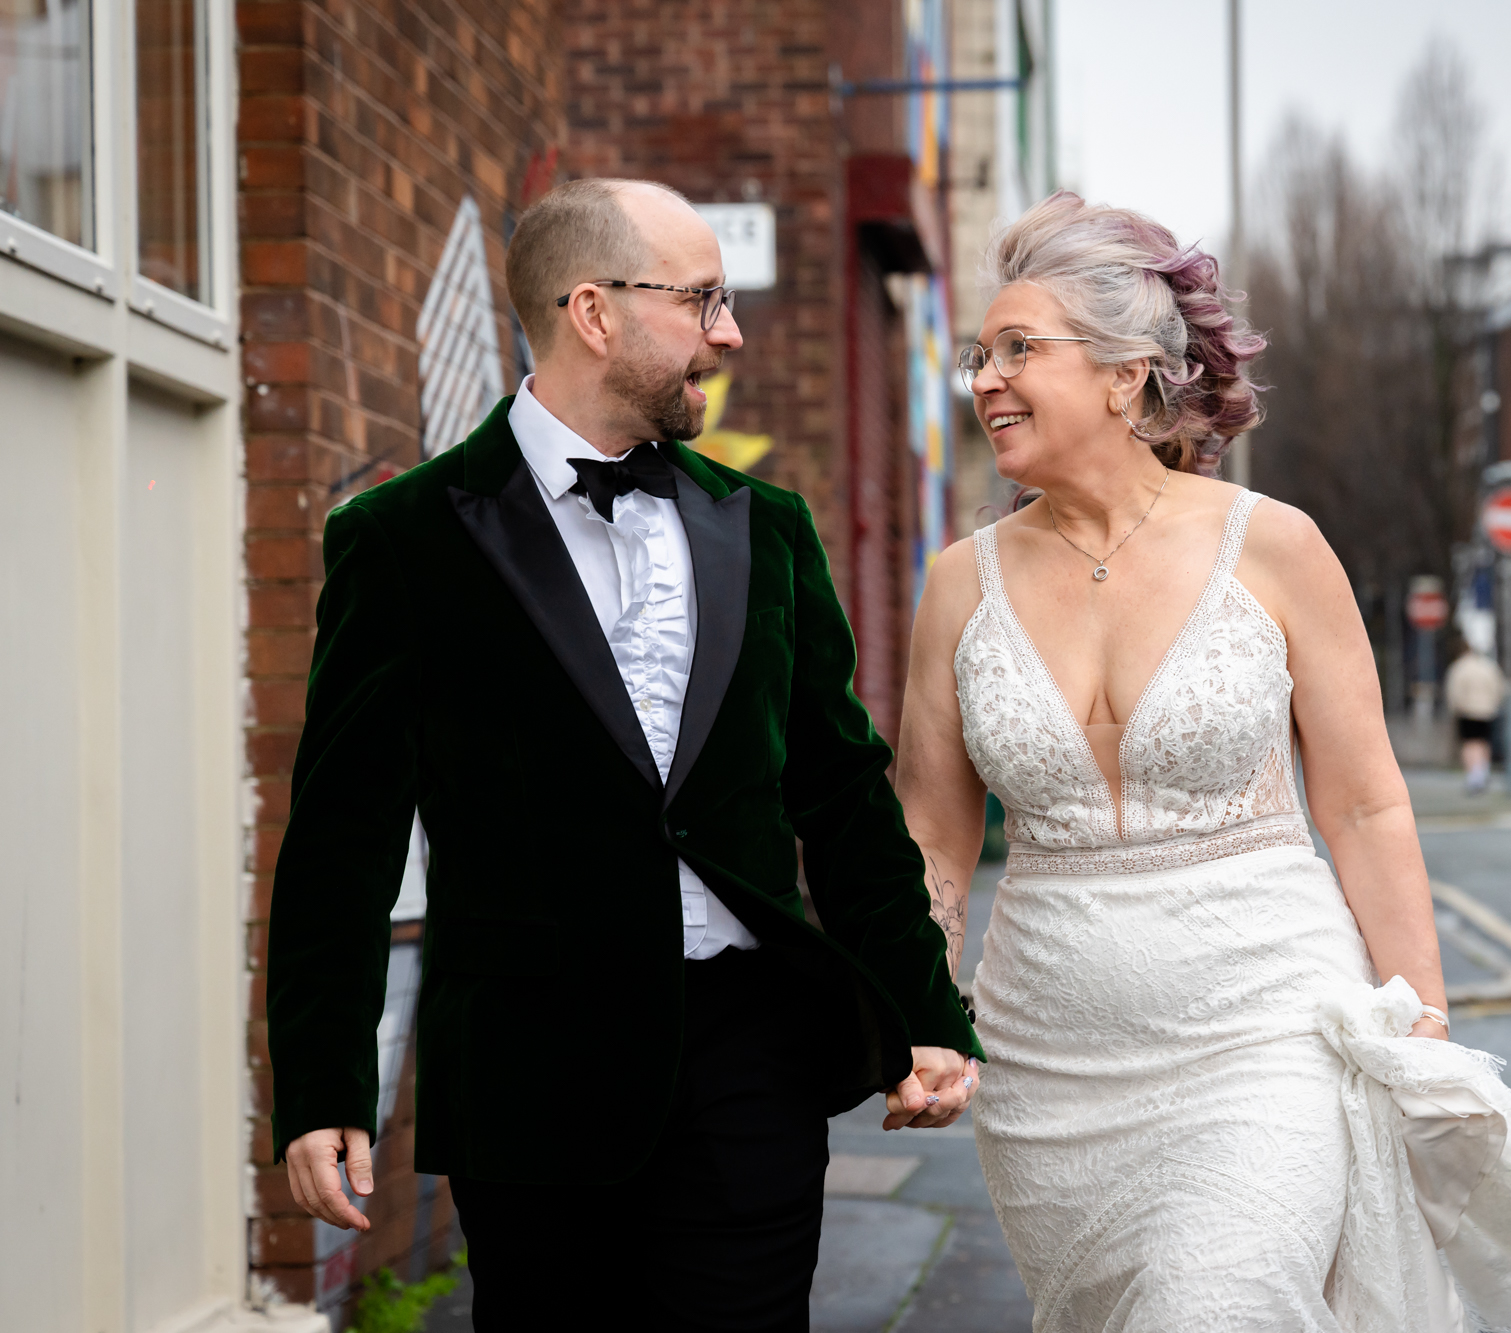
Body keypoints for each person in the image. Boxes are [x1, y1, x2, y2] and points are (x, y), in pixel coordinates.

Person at [893, 192, 1511, 1332]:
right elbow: (932, 836)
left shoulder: (1272, 546)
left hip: (1264, 1027)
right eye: (980, 355)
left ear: (1124, 374)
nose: (985, 379)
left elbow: (1365, 802)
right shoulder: (957, 583)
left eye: (1017, 349)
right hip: (1053, 1067)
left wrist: (1421, 1025)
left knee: (1216, 1304)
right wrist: (921, 1012)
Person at [266, 178, 980, 1332]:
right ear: (592, 311)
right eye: (702, 300)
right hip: (528, 1068)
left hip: (752, 1054)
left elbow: (839, 794)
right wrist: (322, 1087)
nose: (729, 333)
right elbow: (341, 841)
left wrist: (925, 1007)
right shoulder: (400, 541)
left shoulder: (767, 527)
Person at [1444, 637, 1507, 793]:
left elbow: (1454, 690)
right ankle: (1482, 772)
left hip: (1467, 711)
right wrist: (1495, 704)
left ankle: (1473, 775)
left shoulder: (1460, 667)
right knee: (1484, 742)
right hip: (1487, 711)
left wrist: (1455, 707)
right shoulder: (1489, 666)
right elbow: (1499, 687)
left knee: (1469, 743)